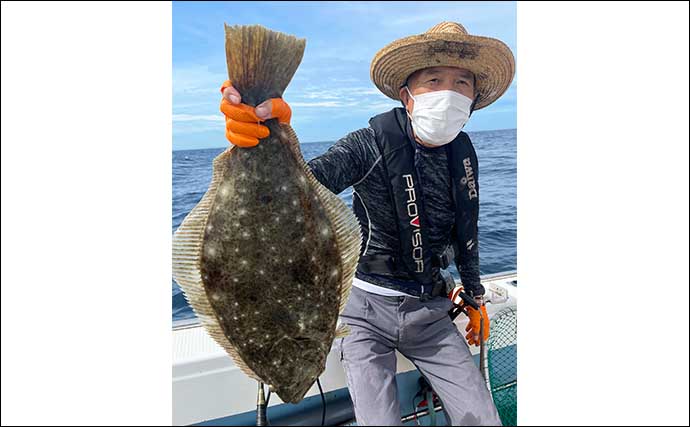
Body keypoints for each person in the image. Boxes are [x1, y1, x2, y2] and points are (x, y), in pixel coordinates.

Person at [220, 21, 514, 426]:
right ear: (406, 96)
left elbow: (468, 236)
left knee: (485, 420)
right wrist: (263, 132)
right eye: (434, 80)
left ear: (473, 98)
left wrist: (476, 295)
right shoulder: (370, 144)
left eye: (462, 82)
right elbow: (307, 185)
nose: (449, 92)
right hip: (364, 316)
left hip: (431, 314)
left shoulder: (463, 157)